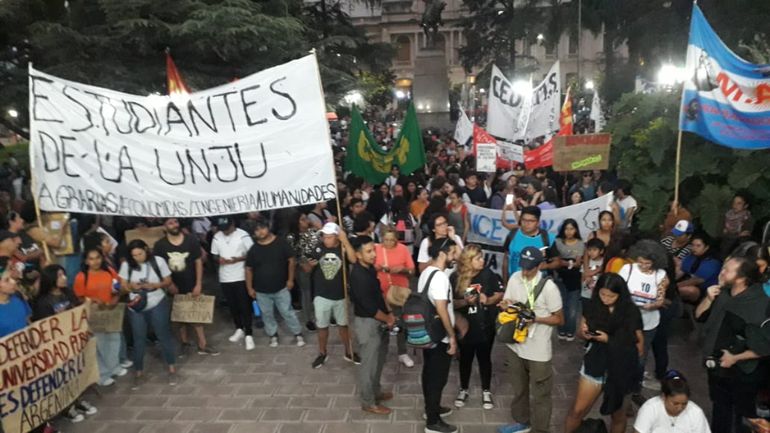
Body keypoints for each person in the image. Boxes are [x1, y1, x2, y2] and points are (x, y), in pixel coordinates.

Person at [696, 256, 770, 433]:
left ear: (741, 278)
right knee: (720, 408)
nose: (721, 273)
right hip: (716, 364)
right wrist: (708, 298)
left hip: (741, 372)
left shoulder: (758, 304)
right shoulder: (723, 293)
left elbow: (766, 346)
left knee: (736, 415)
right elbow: (700, 316)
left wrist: (735, 358)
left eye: (727, 270)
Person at [564, 273, 643, 433]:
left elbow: (639, 346)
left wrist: (609, 340)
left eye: (611, 296)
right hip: (596, 363)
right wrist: (584, 333)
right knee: (578, 410)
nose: (606, 299)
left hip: (621, 369)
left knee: (619, 415)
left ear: (620, 295)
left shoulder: (630, 311)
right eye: (602, 294)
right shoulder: (593, 305)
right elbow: (581, 330)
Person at [500, 247, 563, 433]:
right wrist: (505, 306)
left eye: (529, 268)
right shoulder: (514, 278)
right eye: (523, 267)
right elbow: (507, 302)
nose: (525, 272)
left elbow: (559, 318)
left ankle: (540, 429)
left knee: (540, 394)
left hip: (538, 350)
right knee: (519, 388)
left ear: (539, 266)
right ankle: (522, 422)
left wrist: (536, 319)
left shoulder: (549, 287)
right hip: (515, 344)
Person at [34, 264, 98, 423]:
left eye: (64, 274)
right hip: (58, 346)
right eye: (60, 275)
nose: (64, 278)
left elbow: (77, 312)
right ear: (51, 279)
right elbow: (45, 327)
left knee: (76, 372)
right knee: (63, 377)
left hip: (73, 340)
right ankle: (67, 407)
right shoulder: (42, 302)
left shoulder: (68, 293)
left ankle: (78, 399)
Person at [153, 218, 218, 356]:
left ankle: (203, 344)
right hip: (173, 285)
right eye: (170, 223)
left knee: (197, 314)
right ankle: (185, 343)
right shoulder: (160, 245)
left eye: (175, 222)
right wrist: (169, 284)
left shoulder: (191, 240)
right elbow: (159, 267)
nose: (174, 225)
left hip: (191, 282)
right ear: (164, 226)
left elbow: (198, 261)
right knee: (179, 315)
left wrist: (199, 283)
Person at [451, 244, 504, 410]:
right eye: (478, 258)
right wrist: (464, 301)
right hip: (465, 327)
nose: (482, 261)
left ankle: (486, 390)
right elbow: (449, 303)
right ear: (468, 261)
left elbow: (499, 294)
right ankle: (463, 388)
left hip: (485, 325)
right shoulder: (455, 277)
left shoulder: (489, 274)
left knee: (484, 358)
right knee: (465, 359)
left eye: (482, 257)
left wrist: (487, 300)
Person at [119, 239, 176, 389]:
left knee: (163, 335)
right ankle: (139, 372)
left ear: (146, 249)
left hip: (157, 302)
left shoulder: (158, 261)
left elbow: (168, 281)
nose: (138, 257)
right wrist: (131, 287)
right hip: (136, 306)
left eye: (140, 254)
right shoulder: (127, 265)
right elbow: (122, 287)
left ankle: (171, 368)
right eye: (134, 255)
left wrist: (155, 285)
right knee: (138, 339)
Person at [618, 240, 669, 404]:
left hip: (648, 323)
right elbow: (616, 290)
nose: (643, 266)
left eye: (647, 263)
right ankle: (619, 386)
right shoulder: (627, 269)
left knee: (640, 358)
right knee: (622, 355)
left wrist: (652, 305)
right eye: (640, 262)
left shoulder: (661, 275)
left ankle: (635, 389)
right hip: (626, 321)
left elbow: (661, 300)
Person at [350, 235, 395, 415]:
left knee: (378, 360)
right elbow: (368, 306)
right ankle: (368, 401)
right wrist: (388, 318)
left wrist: (389, 312)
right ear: (358, 255)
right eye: (368, 251)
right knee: (368, 365)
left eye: (373, 250)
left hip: (379, 320)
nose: (374, 254)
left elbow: (377, 295)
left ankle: (376, 391)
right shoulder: (358, 276)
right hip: (368, 323)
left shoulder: (368, 269)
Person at [419, 238, 459, 433]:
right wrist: (451, 337)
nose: (454, 258)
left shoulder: (426, 272)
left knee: (429, 373)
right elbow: (442, 308)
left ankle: (431, 409)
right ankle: (433, 423)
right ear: (443, 254)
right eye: (452, 254)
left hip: (426, 333)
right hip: (439, 336)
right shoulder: (441, 278)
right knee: (437, 378)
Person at [245, 220, 306, 348]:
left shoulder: (281, 243)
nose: (260, 232)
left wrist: (290, 279)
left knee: (287, 312)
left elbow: (291, 261)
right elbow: (249, 269)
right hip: (261, 290)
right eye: (256, 230)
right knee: (266, 314)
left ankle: (297, 333)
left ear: (268, 227)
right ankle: (273, 335)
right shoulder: (254, 249)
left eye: (262, 228)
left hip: (281, 287)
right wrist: (249, 287)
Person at [74, 247, 127, 386]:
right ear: (86, 261)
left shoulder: (109, 271)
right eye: (91, 259)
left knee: (114, 339)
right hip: (94, 313)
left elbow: (116, 288)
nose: (95, 261)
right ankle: (103, 374)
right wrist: (93, 301)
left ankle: (114, 367)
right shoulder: (81, 277)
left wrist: (114, 300)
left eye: (97, 257)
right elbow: (79, 297)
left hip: (111, 310)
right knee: (100, 343)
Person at [307, 222, 358, 366]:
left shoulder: (343, 248)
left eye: (329, 237)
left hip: (341, 294)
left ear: (337, 237)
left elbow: (354, 260)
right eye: (324, 237)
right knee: (322, 326)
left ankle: (349, 352)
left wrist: (345, 240)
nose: (326, 240)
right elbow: (306, 267)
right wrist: (309, 265)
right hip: (321, 294)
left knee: (344, 325)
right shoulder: (318, 247)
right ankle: (322, 353)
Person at [210, 216, 255, 349]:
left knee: (244, 305)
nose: (225, 232)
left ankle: (249, 333)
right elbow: (214, 255)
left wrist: (239, 259)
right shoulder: (217, 237)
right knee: (232, 305)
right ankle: (239, 328)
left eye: (227, 229)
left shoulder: (243, 235)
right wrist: (219, 260)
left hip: (241, 275)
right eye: (222, 229)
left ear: (233, 224)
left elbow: (252, 254)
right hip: (225, 277)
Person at [374, 226, 416, 368]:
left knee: (400, 323)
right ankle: (381, 352)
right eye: (386, 240)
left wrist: (403, 270)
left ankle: (402, 352)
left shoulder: (403, 249)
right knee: (382, 324)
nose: (389, 243)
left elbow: (412, 270)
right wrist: (377, 268)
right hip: (380, 292)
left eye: (392, 240)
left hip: (398, 292)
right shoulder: (376, 249)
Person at [633, 370, 711, 433]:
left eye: (684, 404)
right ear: (663, 397)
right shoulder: (650, 408)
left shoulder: (696, 412)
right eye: (675, 403)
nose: (680, 408)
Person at [501, 206, 556, 284]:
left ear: (538, 222)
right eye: (524, 220)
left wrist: (545, 266)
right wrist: (505, 282)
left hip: (539, 285)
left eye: (531, 221)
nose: (527, 223)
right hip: (515, 283)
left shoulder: (548, 238)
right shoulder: (512, 234)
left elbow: (557, 262)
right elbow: (506, 259)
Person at [287, 212, 321, 331]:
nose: (306, 220)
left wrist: (318, 228)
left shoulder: (313, 232)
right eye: (303, 219)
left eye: (306, 218)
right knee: (306, 292)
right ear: (297, 222)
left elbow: (321, 246)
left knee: (318, 291)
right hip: (302, 268)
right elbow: (290, 256)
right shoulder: (291, 237)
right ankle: (308, 319)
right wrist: (303, 263)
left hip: (317, 264)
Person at [553, 219, 585, 341]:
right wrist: (569, 262)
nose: (569, 231)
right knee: (560, 305)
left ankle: (570, 331)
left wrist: (565, 262)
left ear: (576, 230)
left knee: (572, 308)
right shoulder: (557, 242)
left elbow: (578, 263)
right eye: (567, 228)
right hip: (560, 278)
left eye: (572, 228)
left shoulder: (580, 243)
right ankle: (561, 330)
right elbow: (556, 261)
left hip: (575, 279)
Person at [677, 233, 722, 303]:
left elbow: (695, 281)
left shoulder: (712, 263)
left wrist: (672, 287)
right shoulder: (690, 257)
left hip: (705, 291)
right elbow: (681, 271)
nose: (694, 248)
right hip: (688, 283)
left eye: (698, 246)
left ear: (706, 247)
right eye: (692, 245)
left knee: (691, 290)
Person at [581, 238, 606, 307]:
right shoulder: (586, 263)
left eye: (594, 250)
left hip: (599, 295)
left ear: (601, 251)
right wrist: (586, 279)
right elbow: (582, 278)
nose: (591, 252)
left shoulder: (604, 262)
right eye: (589, 250)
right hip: (586, 295)